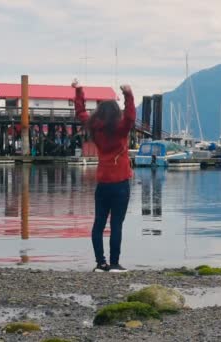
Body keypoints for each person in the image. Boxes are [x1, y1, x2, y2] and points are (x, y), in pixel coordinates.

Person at [72, 79, 135, 272]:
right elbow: (131, 118)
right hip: (121, 183)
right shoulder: (120, 129)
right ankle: (114, 264)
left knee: (98, 224)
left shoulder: (94, 127)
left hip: (102, 183)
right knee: (116, 224)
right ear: (116, 114)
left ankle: (100, 263)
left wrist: (79, 91)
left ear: (99, 113)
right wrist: (128, 94)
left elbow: (81, 112)